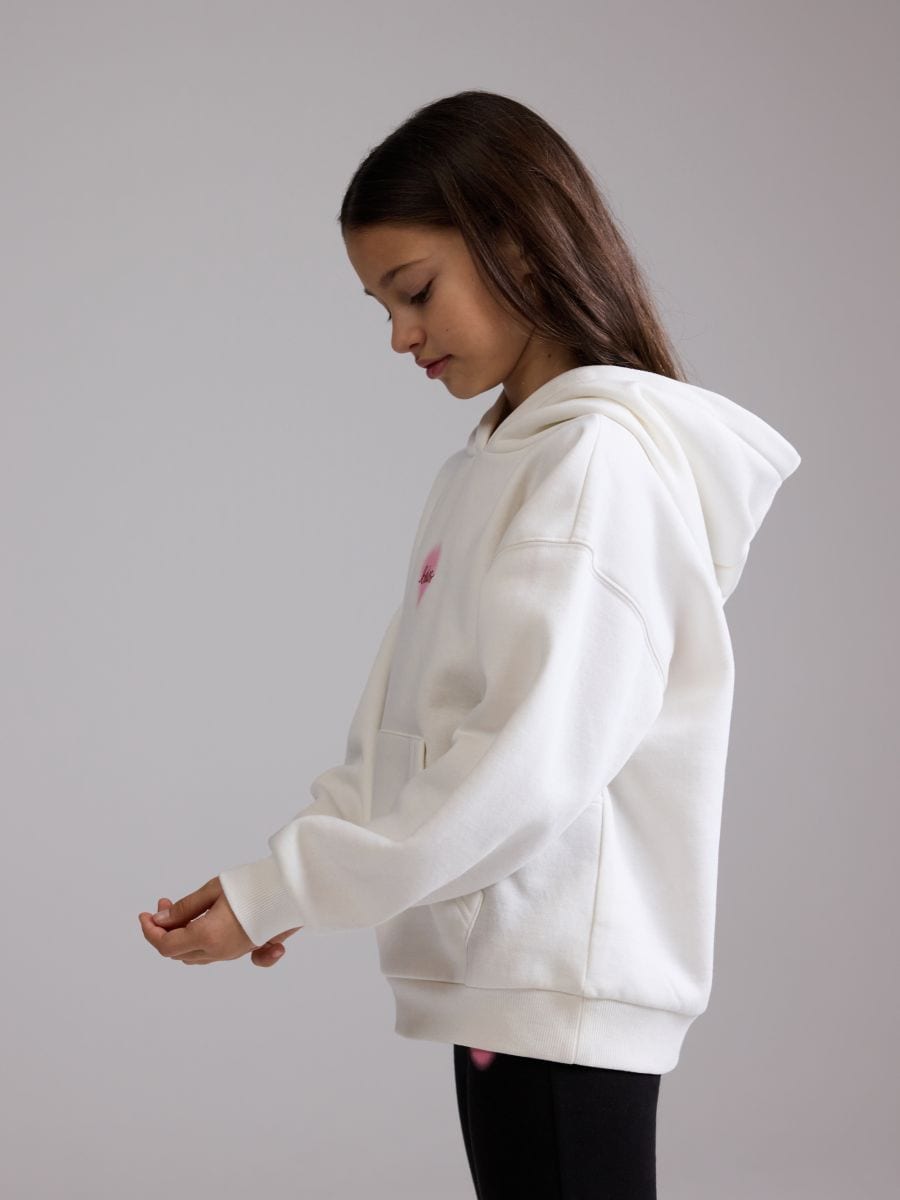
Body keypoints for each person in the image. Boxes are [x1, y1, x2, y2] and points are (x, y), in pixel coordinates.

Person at [139, 90, 802, 1197]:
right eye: (381, 306)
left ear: (519, 246)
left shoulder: (594, 471)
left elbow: (522, 770)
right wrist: (276, 886)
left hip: (558, 995)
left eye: (415, 291)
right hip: (504, 984)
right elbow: (405, 731)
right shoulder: (490, 466)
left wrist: (285, 889)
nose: (400, 335)